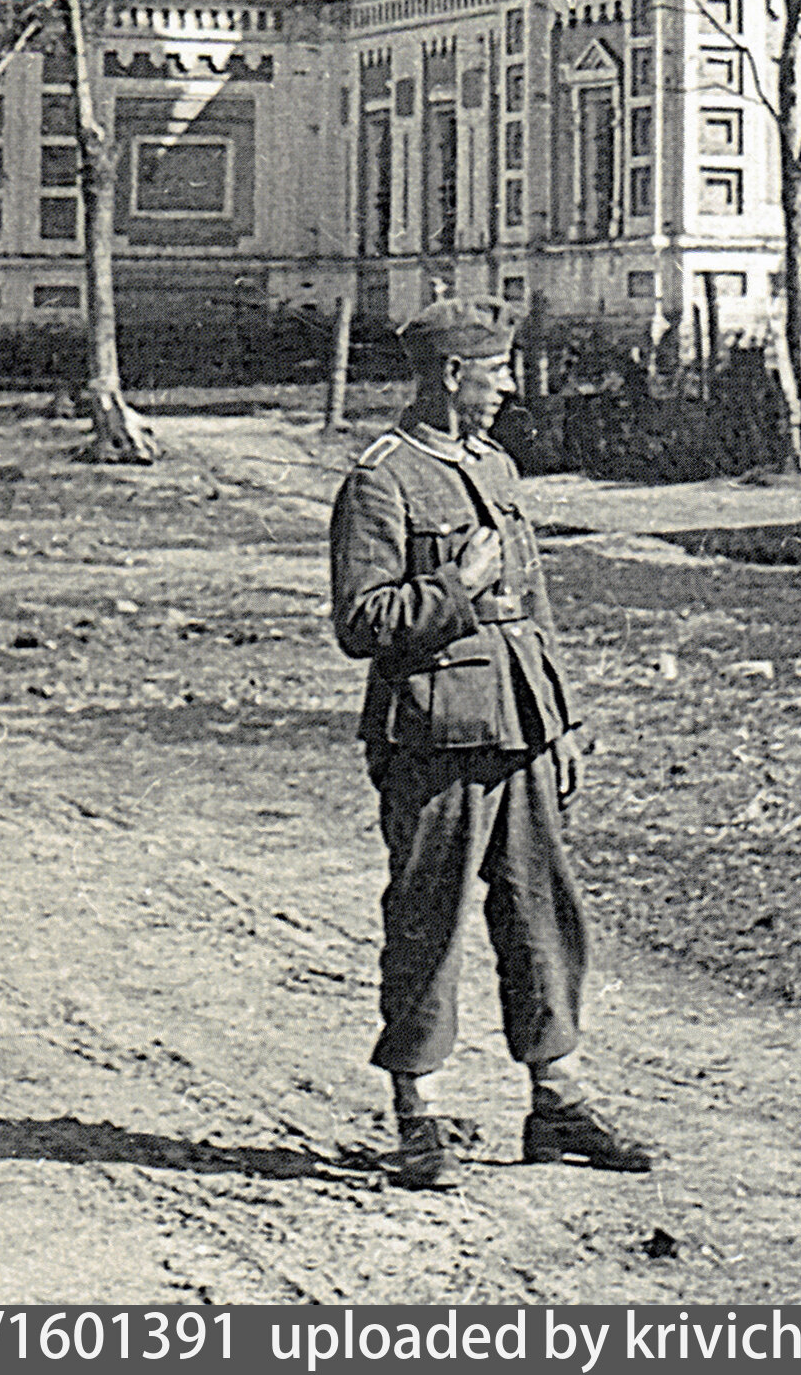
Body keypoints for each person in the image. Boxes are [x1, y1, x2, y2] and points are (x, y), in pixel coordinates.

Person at [329, 299, 657, 1193]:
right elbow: (362, 623)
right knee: (428, 925)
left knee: (544, 915)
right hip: (433, 735)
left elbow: (535, 601)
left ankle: (558, 1102)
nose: (508, 386)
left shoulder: (496, 466)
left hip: (520, 727)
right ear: (450, 375)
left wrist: (565, 718)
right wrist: (455, 585)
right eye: (496, 371)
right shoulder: (382, 479)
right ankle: (418, 1116)